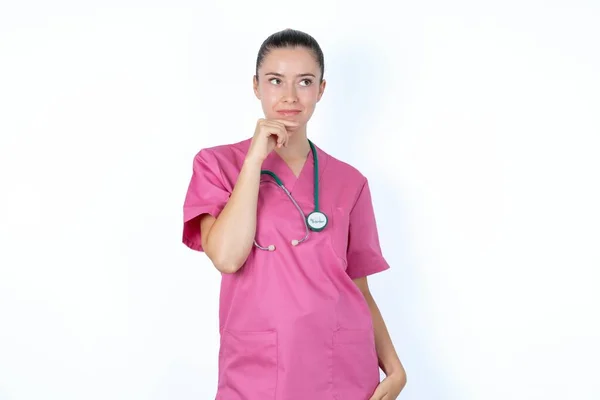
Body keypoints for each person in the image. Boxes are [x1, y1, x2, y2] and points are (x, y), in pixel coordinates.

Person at [182, 28, 407, 400]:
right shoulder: (218, 165)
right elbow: (226, 256)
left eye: (304, 81)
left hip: (343, 368)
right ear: (256, 86)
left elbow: (358, 288)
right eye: (275, 81)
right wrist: (255, 158)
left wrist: (395, 369)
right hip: (260, 368)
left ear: (321, 90)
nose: (289, 96)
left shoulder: (350, 181)